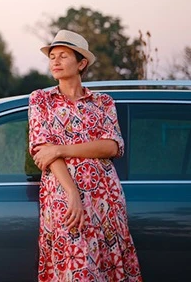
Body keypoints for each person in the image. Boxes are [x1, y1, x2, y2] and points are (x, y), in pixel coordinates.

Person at [28, 30, 142, 281]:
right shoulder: (41, 100)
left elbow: (112, 147)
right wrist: (72, 193)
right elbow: (42, 150)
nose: (55, 62)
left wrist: (60, 149)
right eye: (52, 57)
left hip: (105, 200)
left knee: (107, 267)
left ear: (82, 63)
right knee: (76, 268)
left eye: (63, 56)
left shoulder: (102, 102)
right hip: (64, 199)